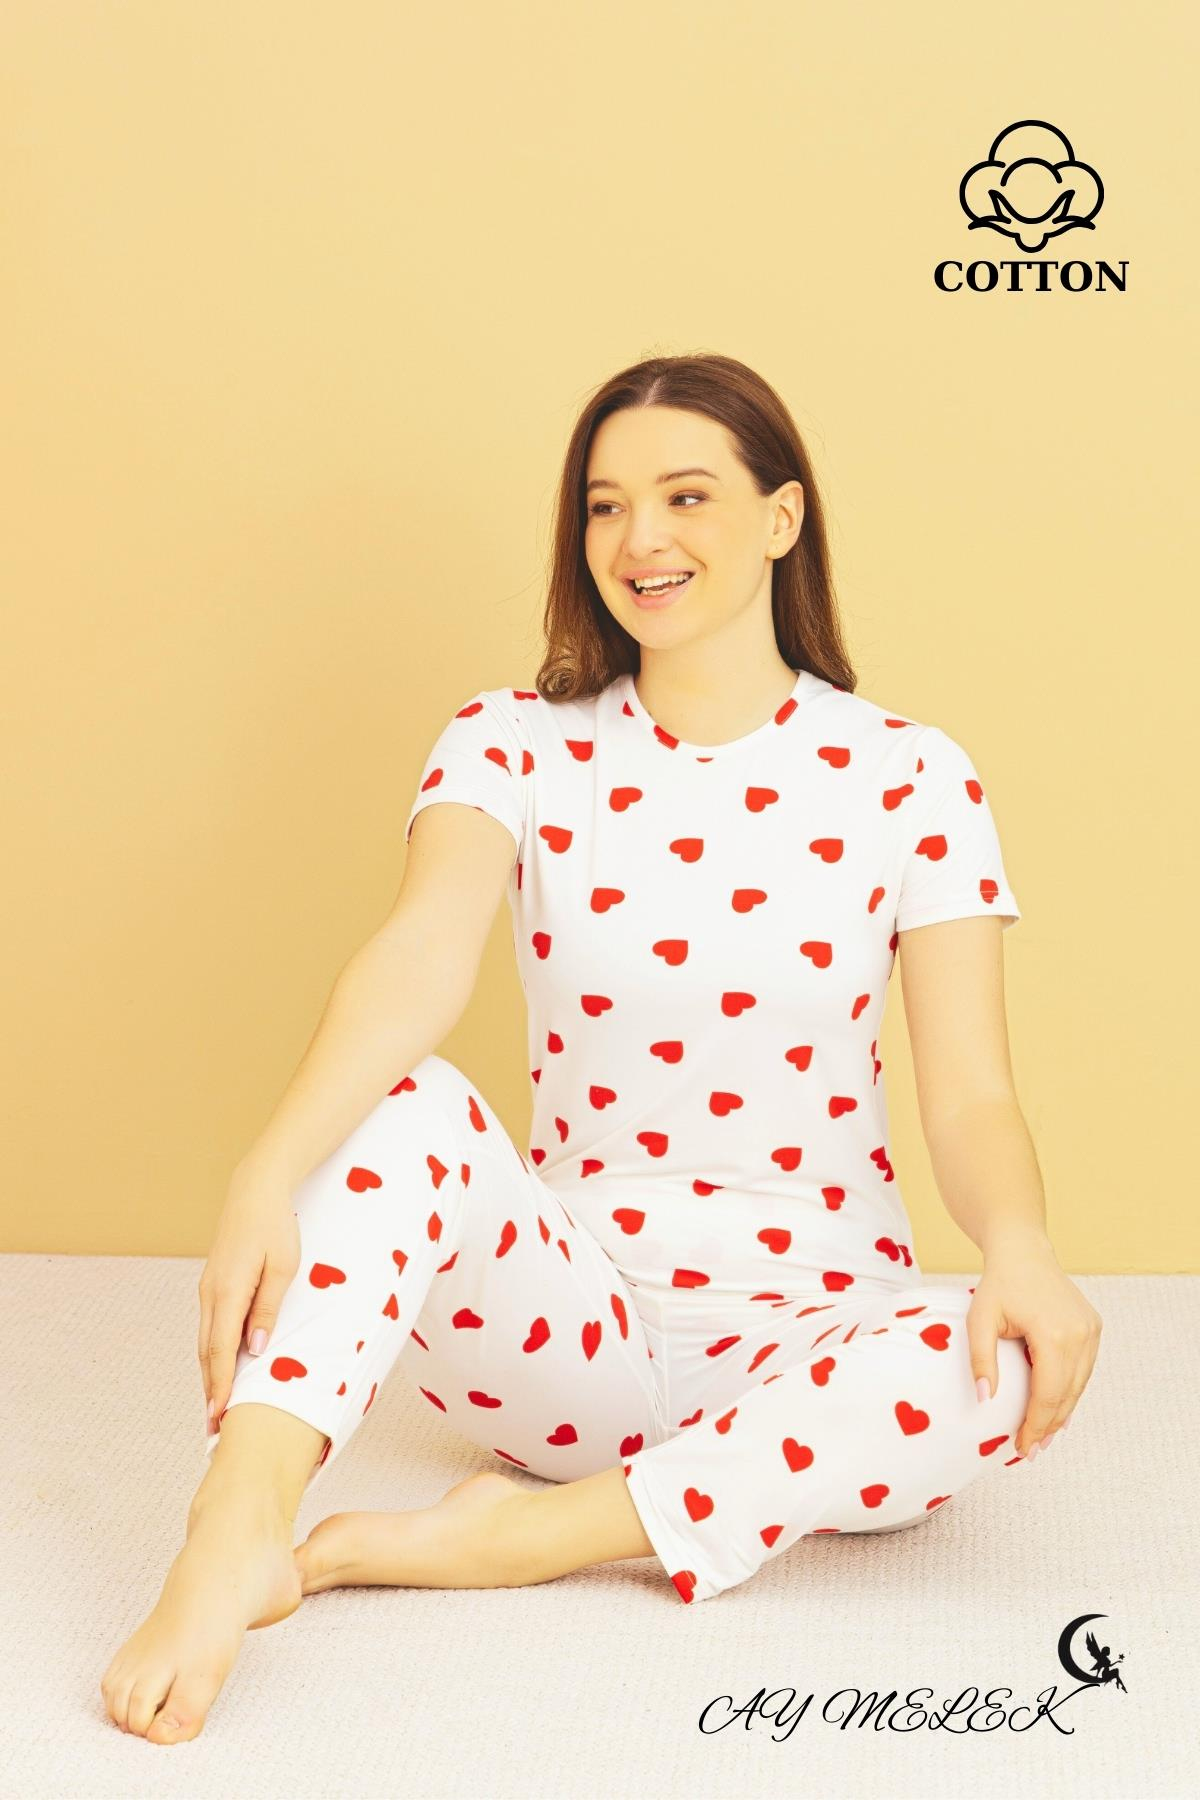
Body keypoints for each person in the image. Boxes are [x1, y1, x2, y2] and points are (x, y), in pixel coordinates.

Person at [100, 353, 1102, 1742]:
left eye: (686, 496)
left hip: (816, 1337)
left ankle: (514, 1538)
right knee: (411, 1102)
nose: (640, 540)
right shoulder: (513, 743)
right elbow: (418, 956)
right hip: (576, 1337)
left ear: (781, 518)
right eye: (606, 505)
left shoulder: (911, 774)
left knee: (991, 1364)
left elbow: (972, 1095)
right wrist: (265, 1173)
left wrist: (1023, 1249)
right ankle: (235, 1529)